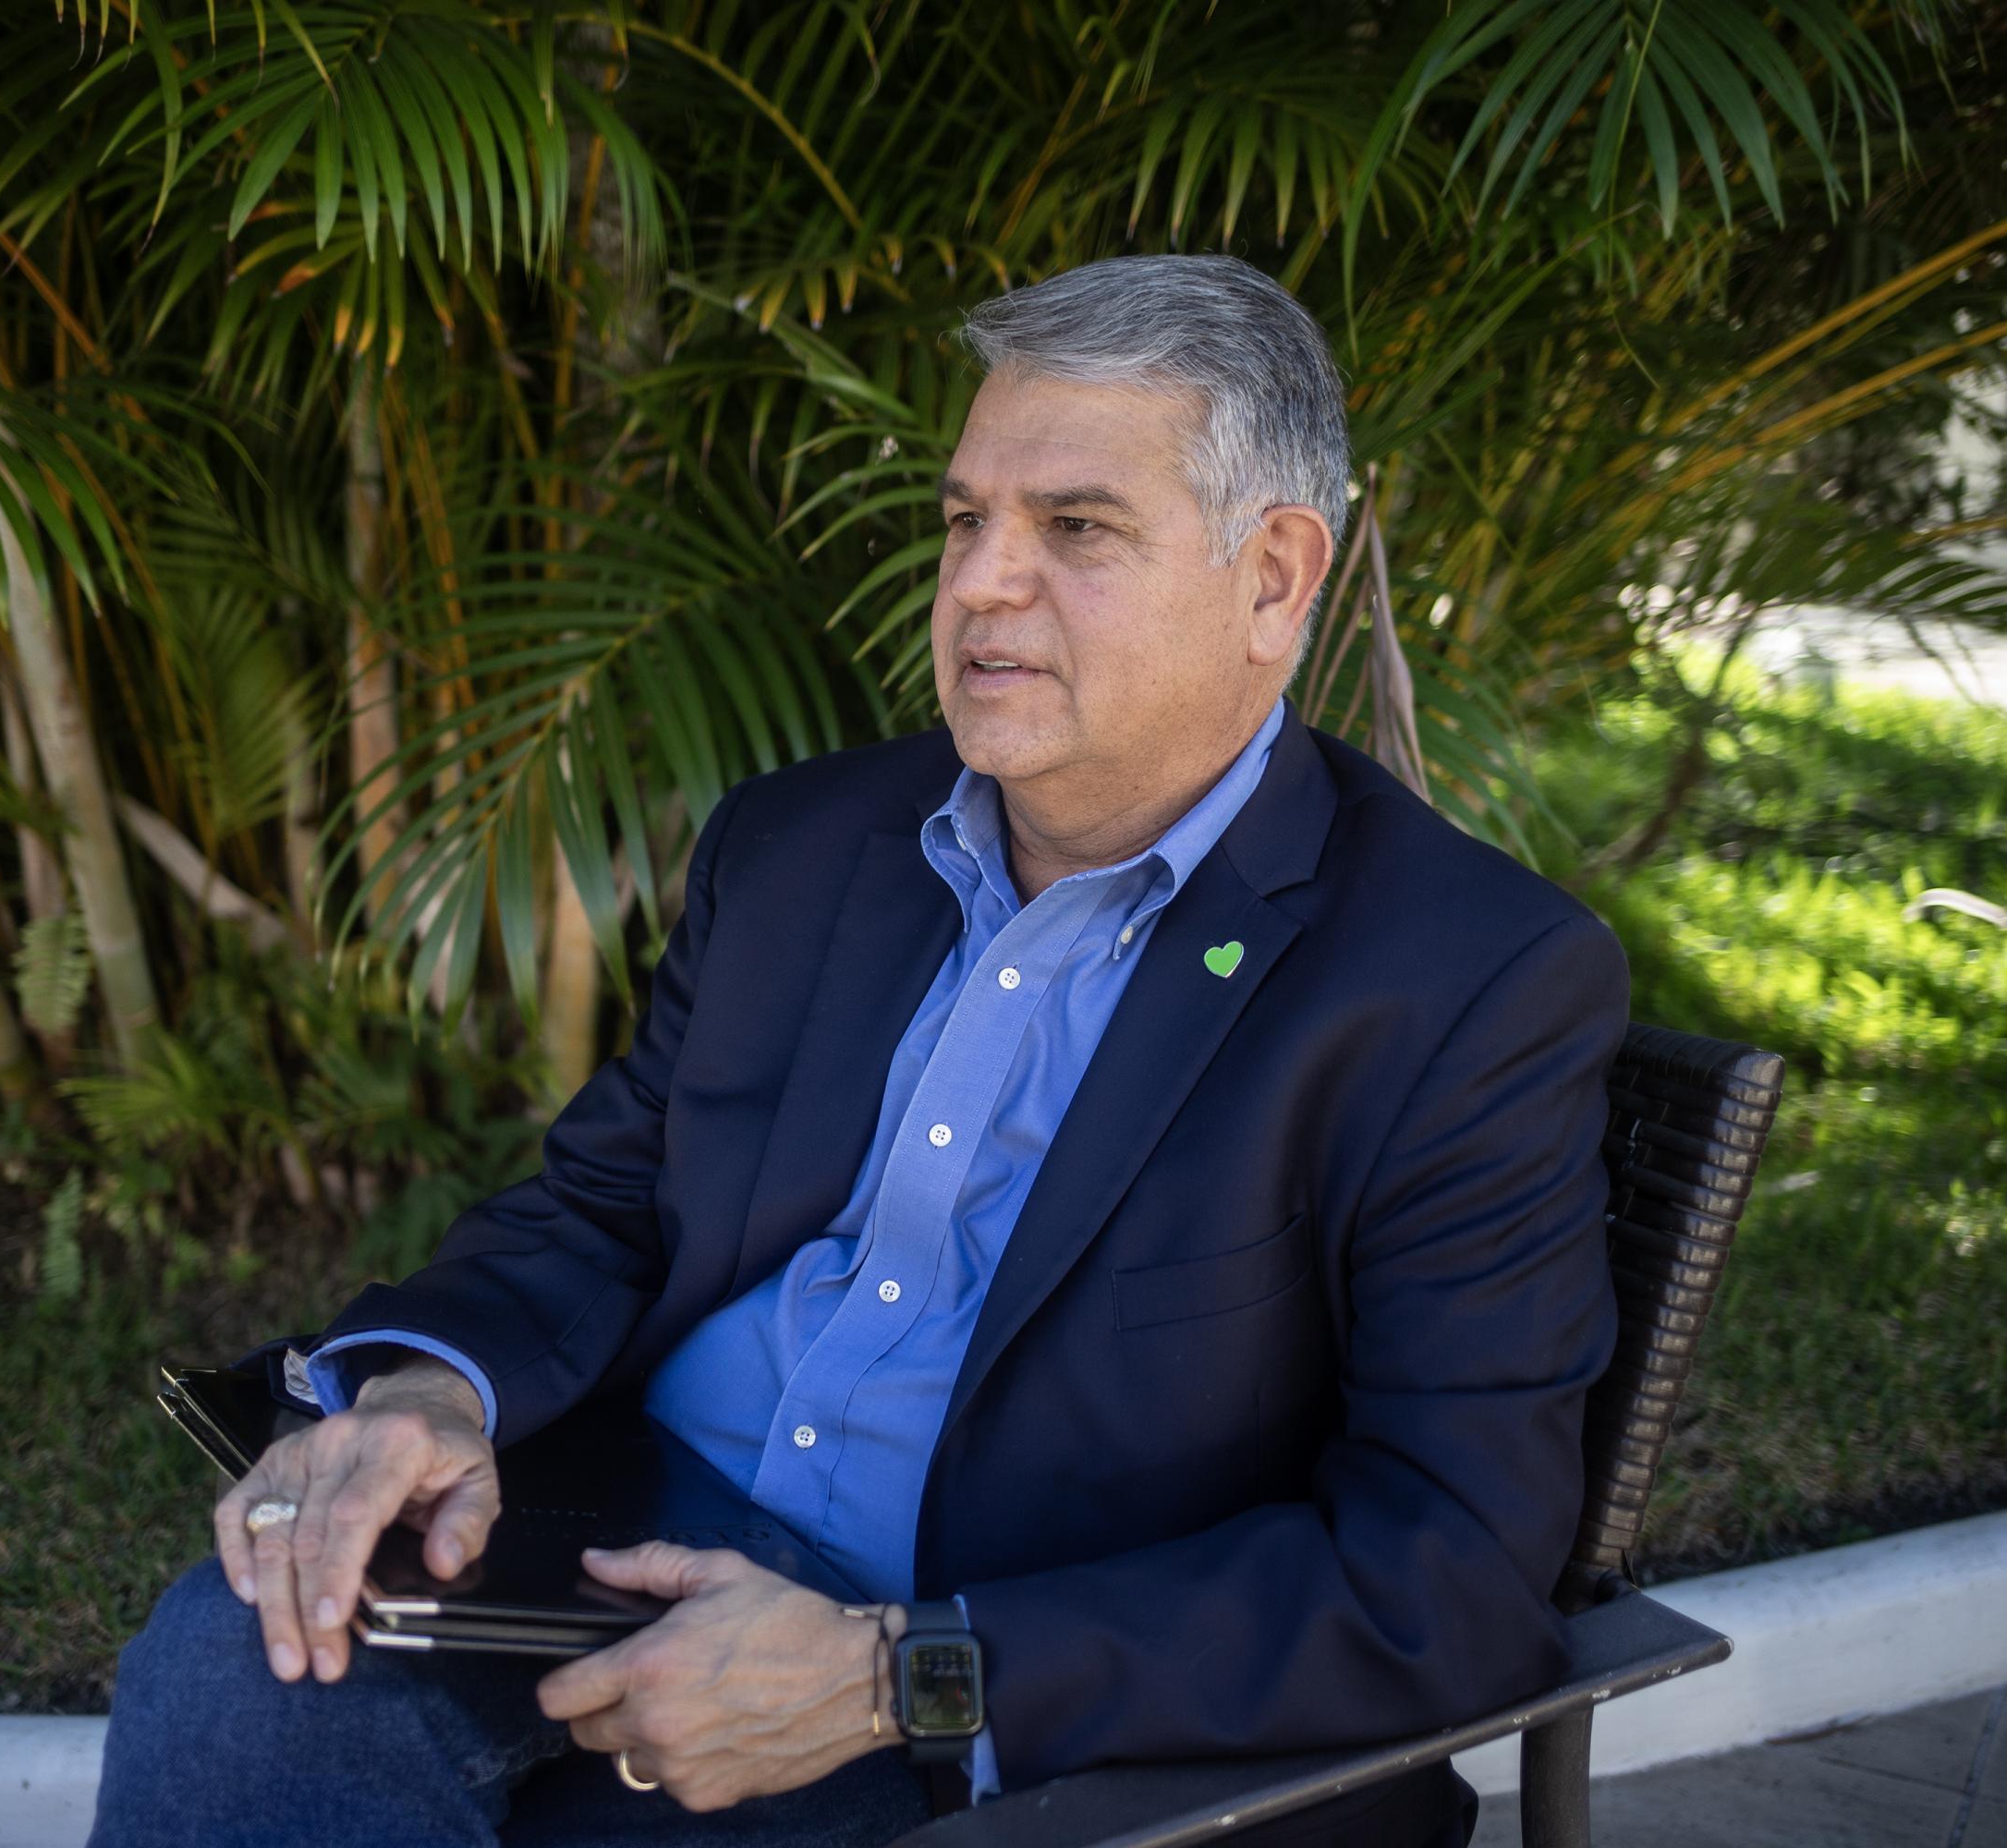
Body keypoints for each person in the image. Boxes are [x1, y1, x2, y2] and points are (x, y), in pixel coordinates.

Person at [86, 252, 1629, 1848]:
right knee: (245, 1654)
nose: (979, 585)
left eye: (1076, 528)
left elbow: (1445, 1573)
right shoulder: (810, 846)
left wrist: (904, 1675)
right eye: (967, 520)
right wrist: (427, 1392)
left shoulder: (1464, 986)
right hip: (627, 1539)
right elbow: (611, 1201)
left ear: (1275, 577)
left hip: (1002, 1703)